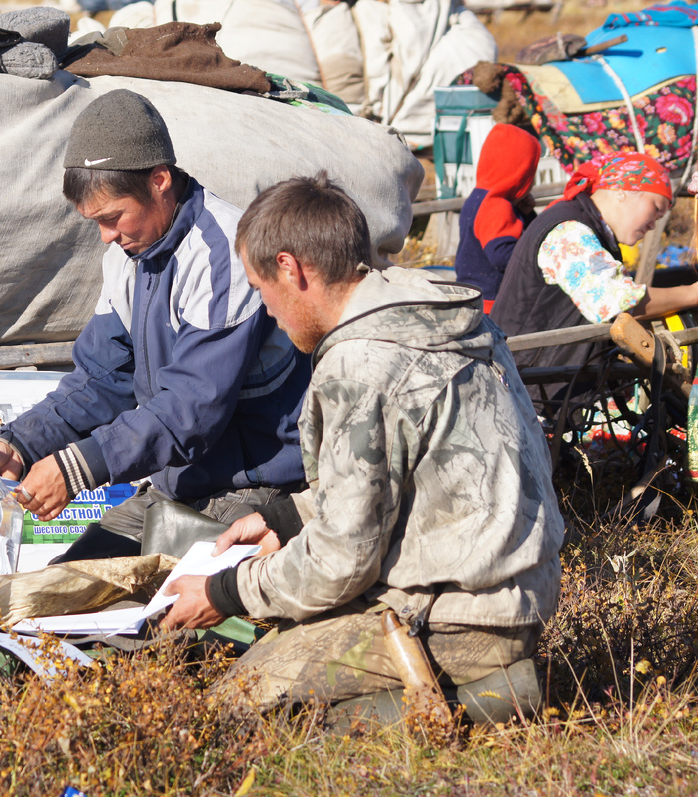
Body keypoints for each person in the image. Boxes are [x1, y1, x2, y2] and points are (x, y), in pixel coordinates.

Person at [160, 172, 565, 717]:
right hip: (520, 590)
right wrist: (286, 518)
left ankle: (477, 702)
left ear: (290, 267)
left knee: (236, 705)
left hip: (457, 616)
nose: (271, 315)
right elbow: (419, 478)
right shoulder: (437, 316)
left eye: (263, 292)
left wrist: (224, 593)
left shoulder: (362, 365)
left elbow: (339, 564)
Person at [0, 89, 311, 560]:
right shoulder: (127, 257)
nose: (106, 236)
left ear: (158, 181)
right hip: (178, 484)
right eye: (96, 223)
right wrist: (21, 442)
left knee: (146, 622)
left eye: (113, 217)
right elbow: (101, 378)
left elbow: (189, 411)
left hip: (253, 489)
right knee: (61, 586)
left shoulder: (224, 257)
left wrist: (77, 469)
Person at [490, 152, 698, 408]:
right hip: (527, 395)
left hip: (551, 388)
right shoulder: (569, 231)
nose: (654, 225)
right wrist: (692, 293)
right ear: (624, 190)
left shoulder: (594, 232)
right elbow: (615, 300)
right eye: (655, 209)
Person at [454, 124, 541, 306]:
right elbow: (502, 255)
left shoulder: (477, 197)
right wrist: (540, 261)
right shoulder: (496, 205)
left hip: (472, 293)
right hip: (492, 303)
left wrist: (524, 214)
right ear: (518, 175)